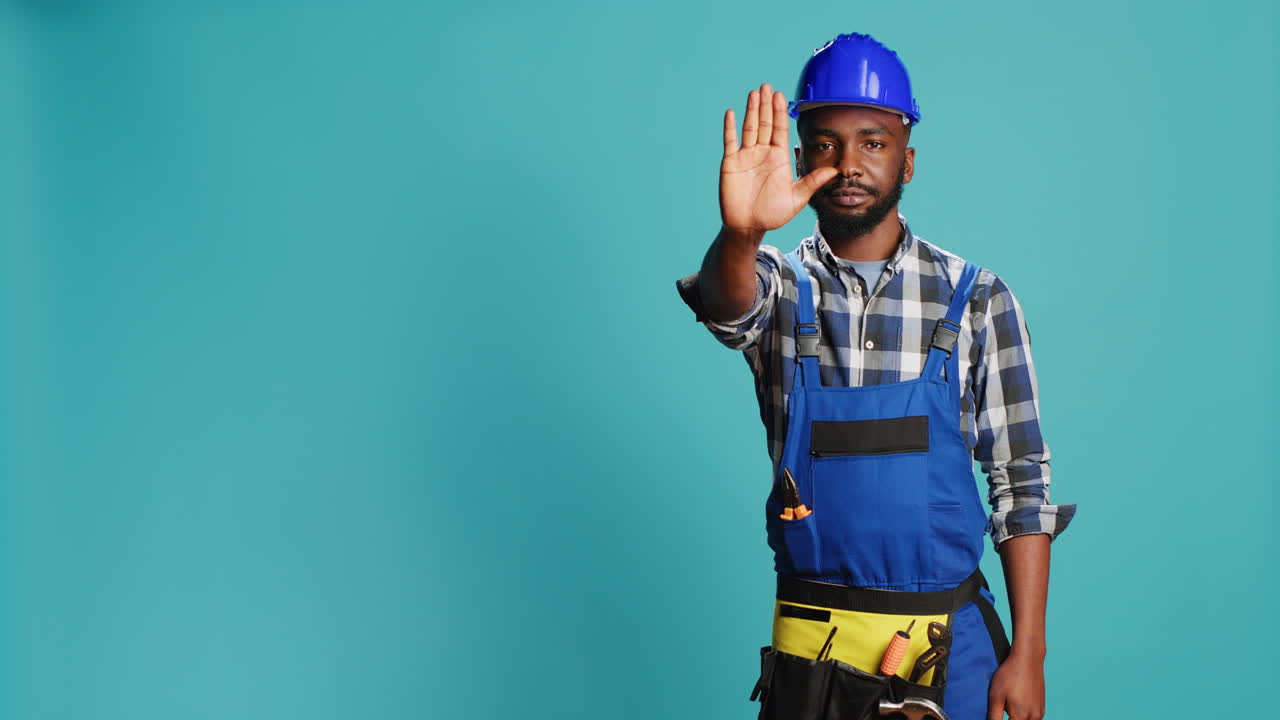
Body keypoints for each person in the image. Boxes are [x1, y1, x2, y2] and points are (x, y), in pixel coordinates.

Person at [674, 33, 1075, 720]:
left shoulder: (977, 300)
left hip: (946, 655)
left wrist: (1029, 653)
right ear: (801, 159)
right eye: (826, 144)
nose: (849, 164)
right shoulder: (777, 285)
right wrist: (740, 234)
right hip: (811, 659)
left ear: (907, 160)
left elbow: (1022, 484)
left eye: (872, 142)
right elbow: (726, 307)